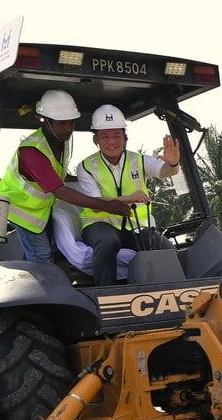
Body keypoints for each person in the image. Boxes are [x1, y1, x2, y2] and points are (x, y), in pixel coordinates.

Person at [0, 90, 132, 264]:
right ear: (46, 121)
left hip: (42, 210)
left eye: (72, 122)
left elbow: (59, 176)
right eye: (62, 123)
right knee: (42, 256)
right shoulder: (32, 151)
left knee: (58, 253)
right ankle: (44, 290)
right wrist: (105, 205)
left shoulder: (59, 140)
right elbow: (59, 190)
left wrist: (91, 180)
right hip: (20, 210)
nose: (69, 128)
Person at [75, 104, 181, 285]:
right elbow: (95, 202)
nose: (111, 142)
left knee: (165, 247)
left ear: (125, 137)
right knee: (107, 242)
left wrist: (173, 163)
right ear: (96, 140)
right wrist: (129, 198)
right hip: (100, 224)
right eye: (105, 137)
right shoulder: (85, 167)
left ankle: (173, 293)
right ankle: (106, 293)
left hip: (135, 226)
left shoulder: (138, 160)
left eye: (117, 136)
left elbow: (164, 171)